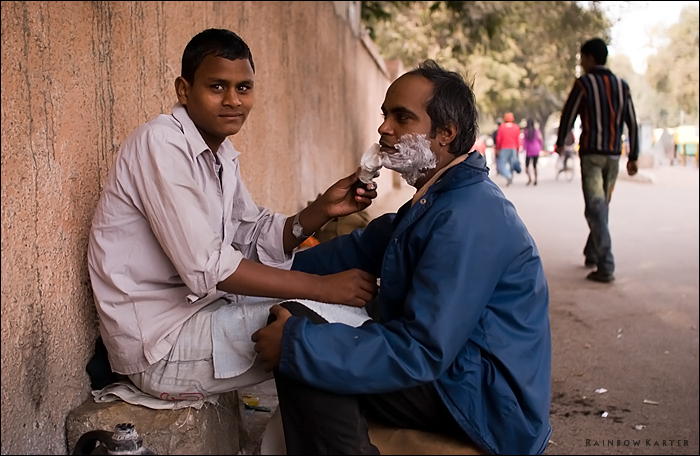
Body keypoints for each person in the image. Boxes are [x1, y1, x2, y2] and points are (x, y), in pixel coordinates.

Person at [252, 60, 552, 455]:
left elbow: (424, 350)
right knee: (307, 332)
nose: (384, 129)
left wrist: (296, 346)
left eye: (402, 118)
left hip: (487, 403)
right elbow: (354, 251)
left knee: (304, 347)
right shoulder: (437, 200)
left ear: (446, 134)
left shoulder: (467, 217)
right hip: (461, 376)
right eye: (385, 115)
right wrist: (253, 274)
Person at [87, 28, 380, 399]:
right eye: (217, 87)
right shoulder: (160, 144)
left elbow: (253, 236)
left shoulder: (220, 154)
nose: (233, 101)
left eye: (243, 88)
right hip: (161, 347)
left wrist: (322, 209)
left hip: (203, 314)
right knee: (333, 328)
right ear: (183, 90)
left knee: (341, 312)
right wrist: (322, 288)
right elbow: (208, 266)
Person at [555, 37, 639, 283]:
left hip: (592, 155)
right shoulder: (622, 86)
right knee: (601, 206)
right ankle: (592, 252)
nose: (581, 63)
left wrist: (561, 143)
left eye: (582, 58)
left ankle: (606, 265)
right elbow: (632, 123)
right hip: (613, 156)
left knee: (596, 206)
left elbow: (569, 115)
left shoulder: (584, 84)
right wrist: (633, 156)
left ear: (591, 58)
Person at [495, 112, 522, 186]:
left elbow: (498, 139)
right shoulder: (516, 127)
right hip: (513, 148)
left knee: (502, 164)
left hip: (504, 148)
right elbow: (518, 139)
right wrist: (518, 149)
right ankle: (510, 177)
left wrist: (497, 149)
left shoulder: (502, 127)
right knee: (512, 164)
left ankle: (508, 176)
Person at [522, 118, 543, 185]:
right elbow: (540, 139)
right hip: (536, 150)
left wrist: (524, 148)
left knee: (527, 166)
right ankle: (536, 179)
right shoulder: (537, 131)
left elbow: (524, 141)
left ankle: (529, 178)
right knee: (535, 166)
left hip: (529, 150)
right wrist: (540, 147)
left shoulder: (526, 131)